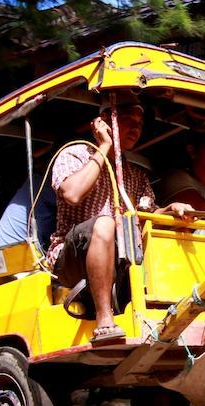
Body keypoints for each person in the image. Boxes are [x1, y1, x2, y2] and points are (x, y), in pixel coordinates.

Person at [47, 92, 194, 344]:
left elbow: (147, 214)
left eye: (140, 124)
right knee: (105, 223)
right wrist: (103, 146)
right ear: (105, 120)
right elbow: (72, 194)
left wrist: (171, 209)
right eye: (129, 120)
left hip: (117, 260)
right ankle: (105, 320)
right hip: (70, 260)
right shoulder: (75, 153)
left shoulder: (135, 175)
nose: (137, 128)